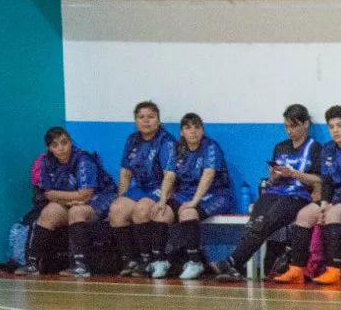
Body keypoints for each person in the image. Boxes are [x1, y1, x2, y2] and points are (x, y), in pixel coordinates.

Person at [272, 105, 341, 286]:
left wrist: (333, 204)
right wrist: (324, 201)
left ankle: (334, 269)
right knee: (304, 215)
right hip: (338, 197)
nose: (336, 131)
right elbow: (326, 181)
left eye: (340, 126)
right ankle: (297, 269)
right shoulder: (328, 149)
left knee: (334, 214)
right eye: (331, 127)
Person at [211, 104, 322, 282]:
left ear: (306, 124)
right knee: (254, 223)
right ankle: (235, 266)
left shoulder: (315, 148)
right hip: (276, 191)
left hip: (297, 195)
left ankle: (233, 262)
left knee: (264, 222)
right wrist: (275, 175)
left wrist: (293, 173)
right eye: (286, 126)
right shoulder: (280, 147)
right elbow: (274, 178)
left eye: (293, 126)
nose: (289, 131)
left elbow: (317, 180)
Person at [18, 127, 117, 277]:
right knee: (49, 212)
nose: (61, 148)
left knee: (77, 211)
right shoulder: (46, 162)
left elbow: (86, 194)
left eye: (64, 143)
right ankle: (33, 263)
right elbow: (48, 194)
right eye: (55, 145)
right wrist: (72, 198)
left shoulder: (83, 159)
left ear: (71, 142)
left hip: (100, 197)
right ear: (49, 148)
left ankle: (80, 265)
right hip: (71, 200)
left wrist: (66, 197)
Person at [107, 101, 176, 277]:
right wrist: (121, 197)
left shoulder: (166, 141)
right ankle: (131, 259)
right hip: (141, 187)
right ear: (135, 121)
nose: (146, 121)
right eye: (141, 117)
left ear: (158, 120)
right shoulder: (132, 140)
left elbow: (170, 174)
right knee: (116, 210)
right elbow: (125, 172)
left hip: (160, 186)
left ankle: (149, 260)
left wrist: (163, 199)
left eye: (151, 117)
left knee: (142, 208)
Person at [166, 113, 234, 280]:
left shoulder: (211, 147)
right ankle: (160, 260)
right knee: (160, 213)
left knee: (188, 212)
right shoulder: (178, 149)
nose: (193, 131)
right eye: (188, 128)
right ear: (182, 132)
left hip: (216, 195)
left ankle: (195, 261)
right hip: (186, 194)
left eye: (197, 127)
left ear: (202, 130)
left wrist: (193, 202)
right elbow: (169, 176)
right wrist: (162, 201)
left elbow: (208, 176)